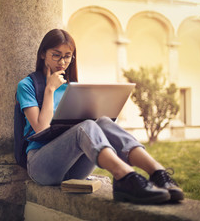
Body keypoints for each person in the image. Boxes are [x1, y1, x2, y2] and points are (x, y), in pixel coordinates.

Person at [16, 28, 184, 204]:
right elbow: (41, 128)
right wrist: (50, 90)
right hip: (42, 166)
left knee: (102, 121)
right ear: (43, 54)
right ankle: (125, 177)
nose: (63, 62)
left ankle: (158, 173)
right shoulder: (27, 85)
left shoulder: (72, 87)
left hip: (75, 168)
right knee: (85, 127)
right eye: (56, 55)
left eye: (68, 56)